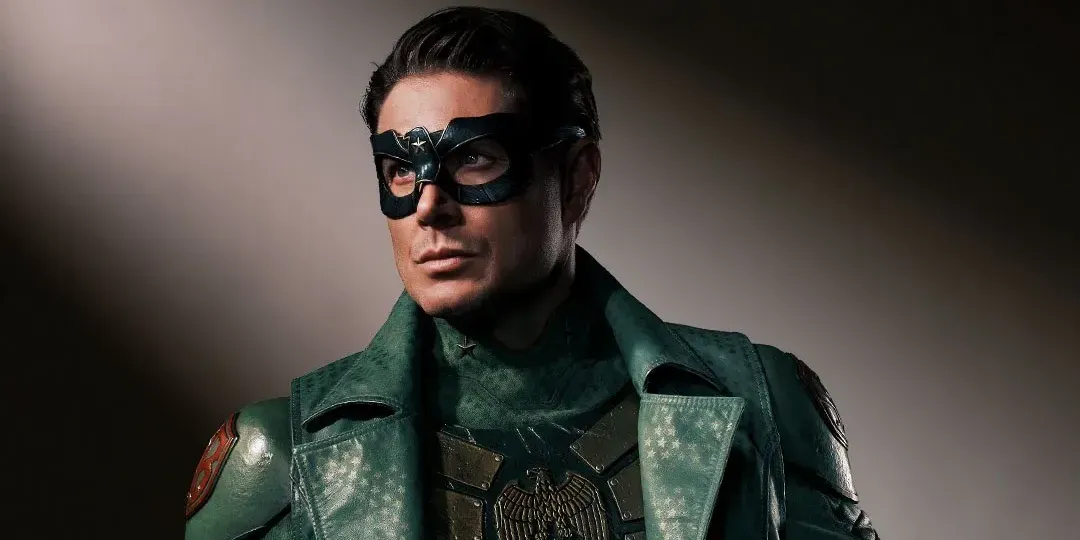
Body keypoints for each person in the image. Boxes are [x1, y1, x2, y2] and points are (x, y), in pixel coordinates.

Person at [183, 7, 880, 540]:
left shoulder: (766, 408)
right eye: (399, 169)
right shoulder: (284, 460)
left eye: (474, 158)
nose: (428, 205)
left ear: (576, 179)